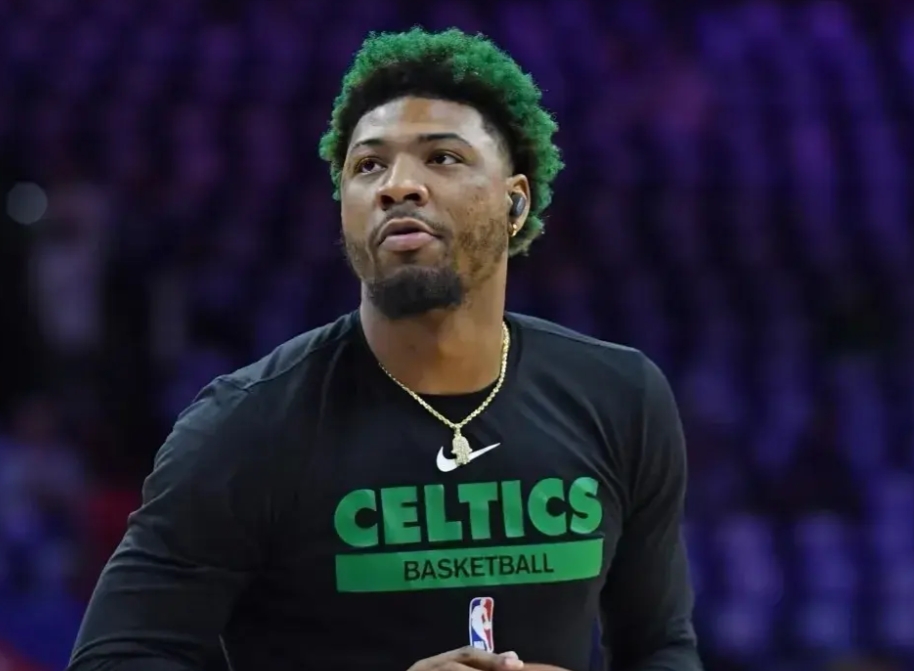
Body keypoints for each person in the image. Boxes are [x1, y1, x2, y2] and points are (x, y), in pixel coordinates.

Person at [68, 28, 702, 671]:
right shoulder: (246, 423)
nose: (398, 186)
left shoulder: (620, 396)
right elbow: (115, 660)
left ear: (515, 202)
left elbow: (661, 647)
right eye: (368, 166)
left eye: (442, 157)